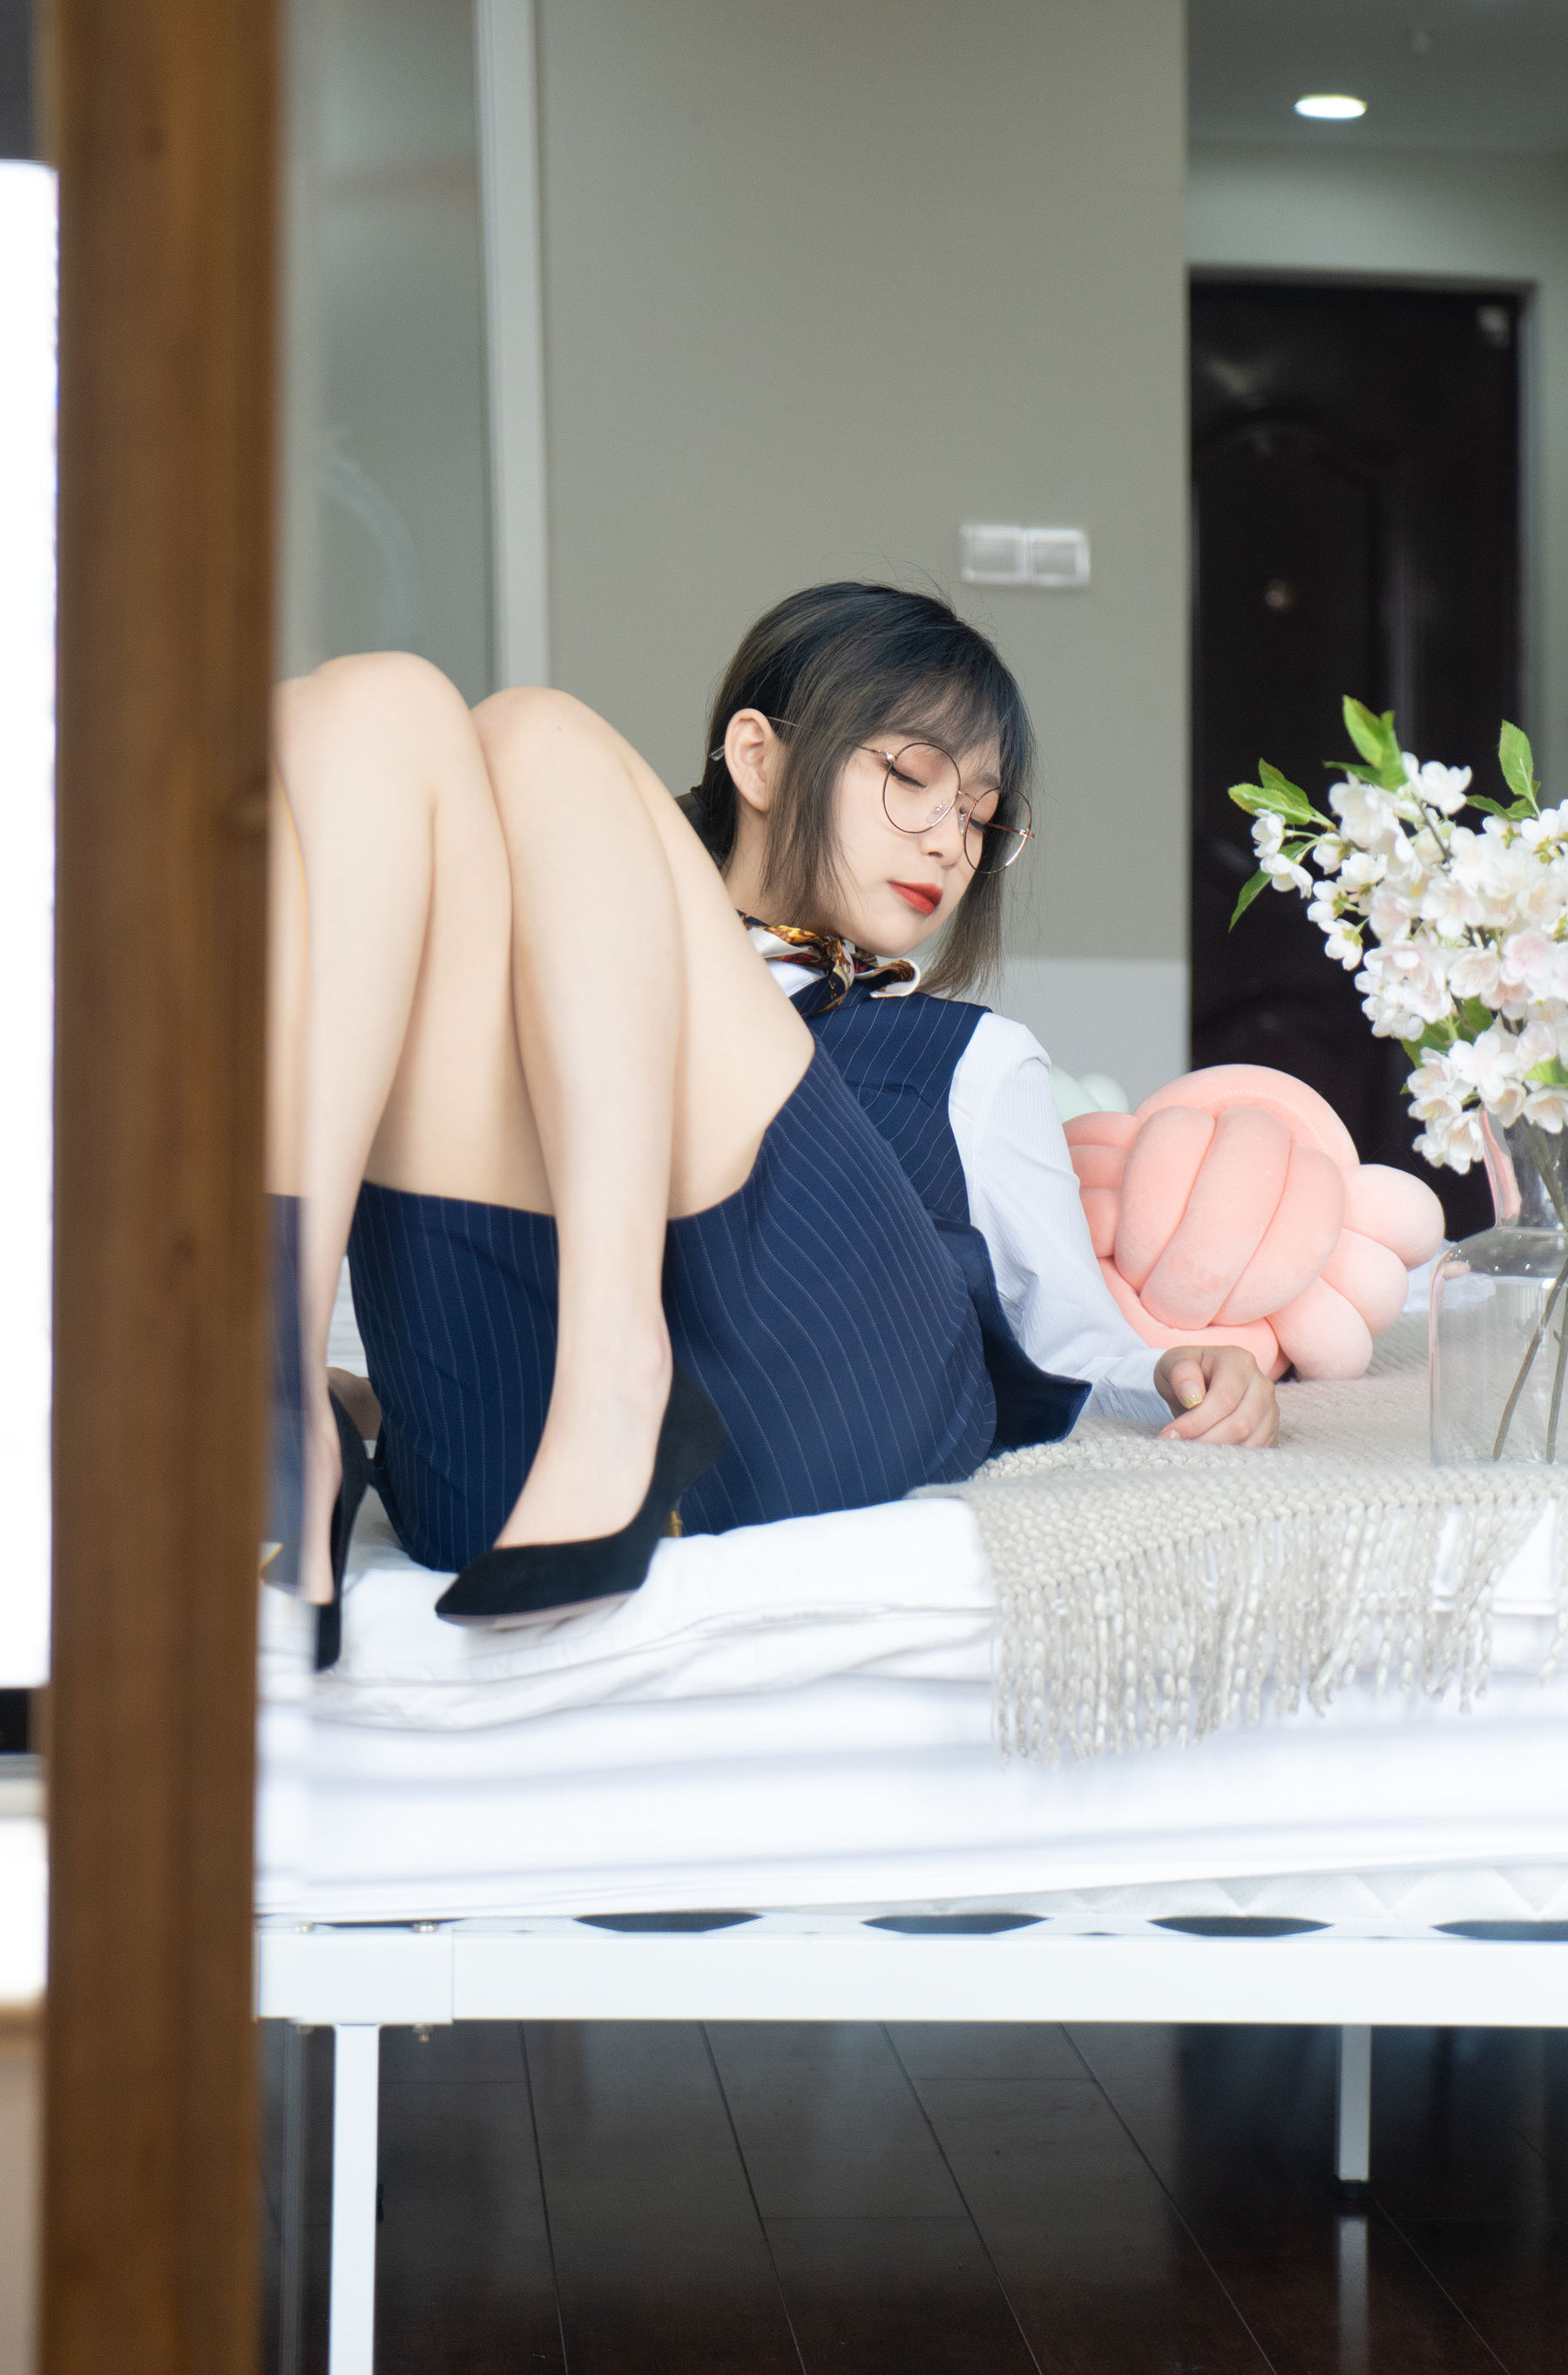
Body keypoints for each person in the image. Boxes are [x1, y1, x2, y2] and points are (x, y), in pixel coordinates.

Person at [268, 582, 1276, 1649]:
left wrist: (1179, 1370)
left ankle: (622, 1384)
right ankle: (273, 1397)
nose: (952, 842)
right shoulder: (530, 993)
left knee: (532, 733)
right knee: (362, 707)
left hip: (833, 1401)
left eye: (981, 817)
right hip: (511, 1482)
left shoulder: (973, 1056)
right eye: (914, 778)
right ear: (757, 759)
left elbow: (1074, 1344)